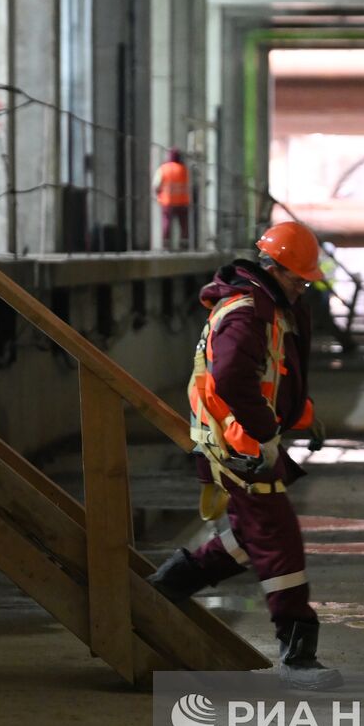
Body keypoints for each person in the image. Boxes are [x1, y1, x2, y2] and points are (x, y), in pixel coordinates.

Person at [146, 221, 342, 691]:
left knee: (253, 536)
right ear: (273, 267)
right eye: (299, 276)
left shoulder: (266, 307)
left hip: (245, 443)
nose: (303, 285)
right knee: (279, 541)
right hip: (239, 448)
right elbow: (232, 376)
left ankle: (168, 585)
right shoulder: (248, 311)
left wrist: (299, 415)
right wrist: (265, 431)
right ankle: (298, 656)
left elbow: (273, 374)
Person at [153, 147, 191, 251]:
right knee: (184, 225)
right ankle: (184, 244)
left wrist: (158, 196)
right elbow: (190, 186)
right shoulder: (184, 169)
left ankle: (166, 245)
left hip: (167, 202)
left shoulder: (163, 169)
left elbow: (156, 185)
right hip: (182, 202)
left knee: (167, 223)